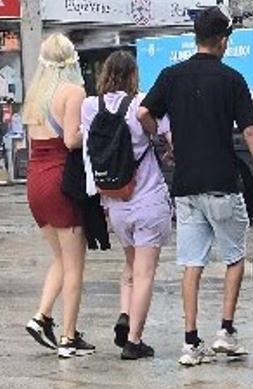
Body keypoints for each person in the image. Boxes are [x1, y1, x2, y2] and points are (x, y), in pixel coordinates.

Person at [139, 7, 253, 367]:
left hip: (185, 186)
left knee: (191, 262)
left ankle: (190, 343)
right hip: (222, 183)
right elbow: (250, 131)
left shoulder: (171, 76)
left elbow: (143, 114)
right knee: (234, 258)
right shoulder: (232, 79)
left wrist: (165, 141)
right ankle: (226, 333)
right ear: (223, 41)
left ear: (196, 38)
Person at [82, 52, 171, 361]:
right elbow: (163, 134)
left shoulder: (90, 106)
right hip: (148, 199)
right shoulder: (140, 105)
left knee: (131, 265)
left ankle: (124, 312)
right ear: (134, 75)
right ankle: (134, 339)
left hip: (115, 200)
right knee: (145, 271)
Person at [22, 33, 92, 359]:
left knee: (60, 259)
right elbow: (71, 141)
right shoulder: (73, 92)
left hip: (35, 180)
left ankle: (42, 316)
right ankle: (68, 336)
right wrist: (90, 130)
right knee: (75, 264)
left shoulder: (35, 93)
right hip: (61, 181)